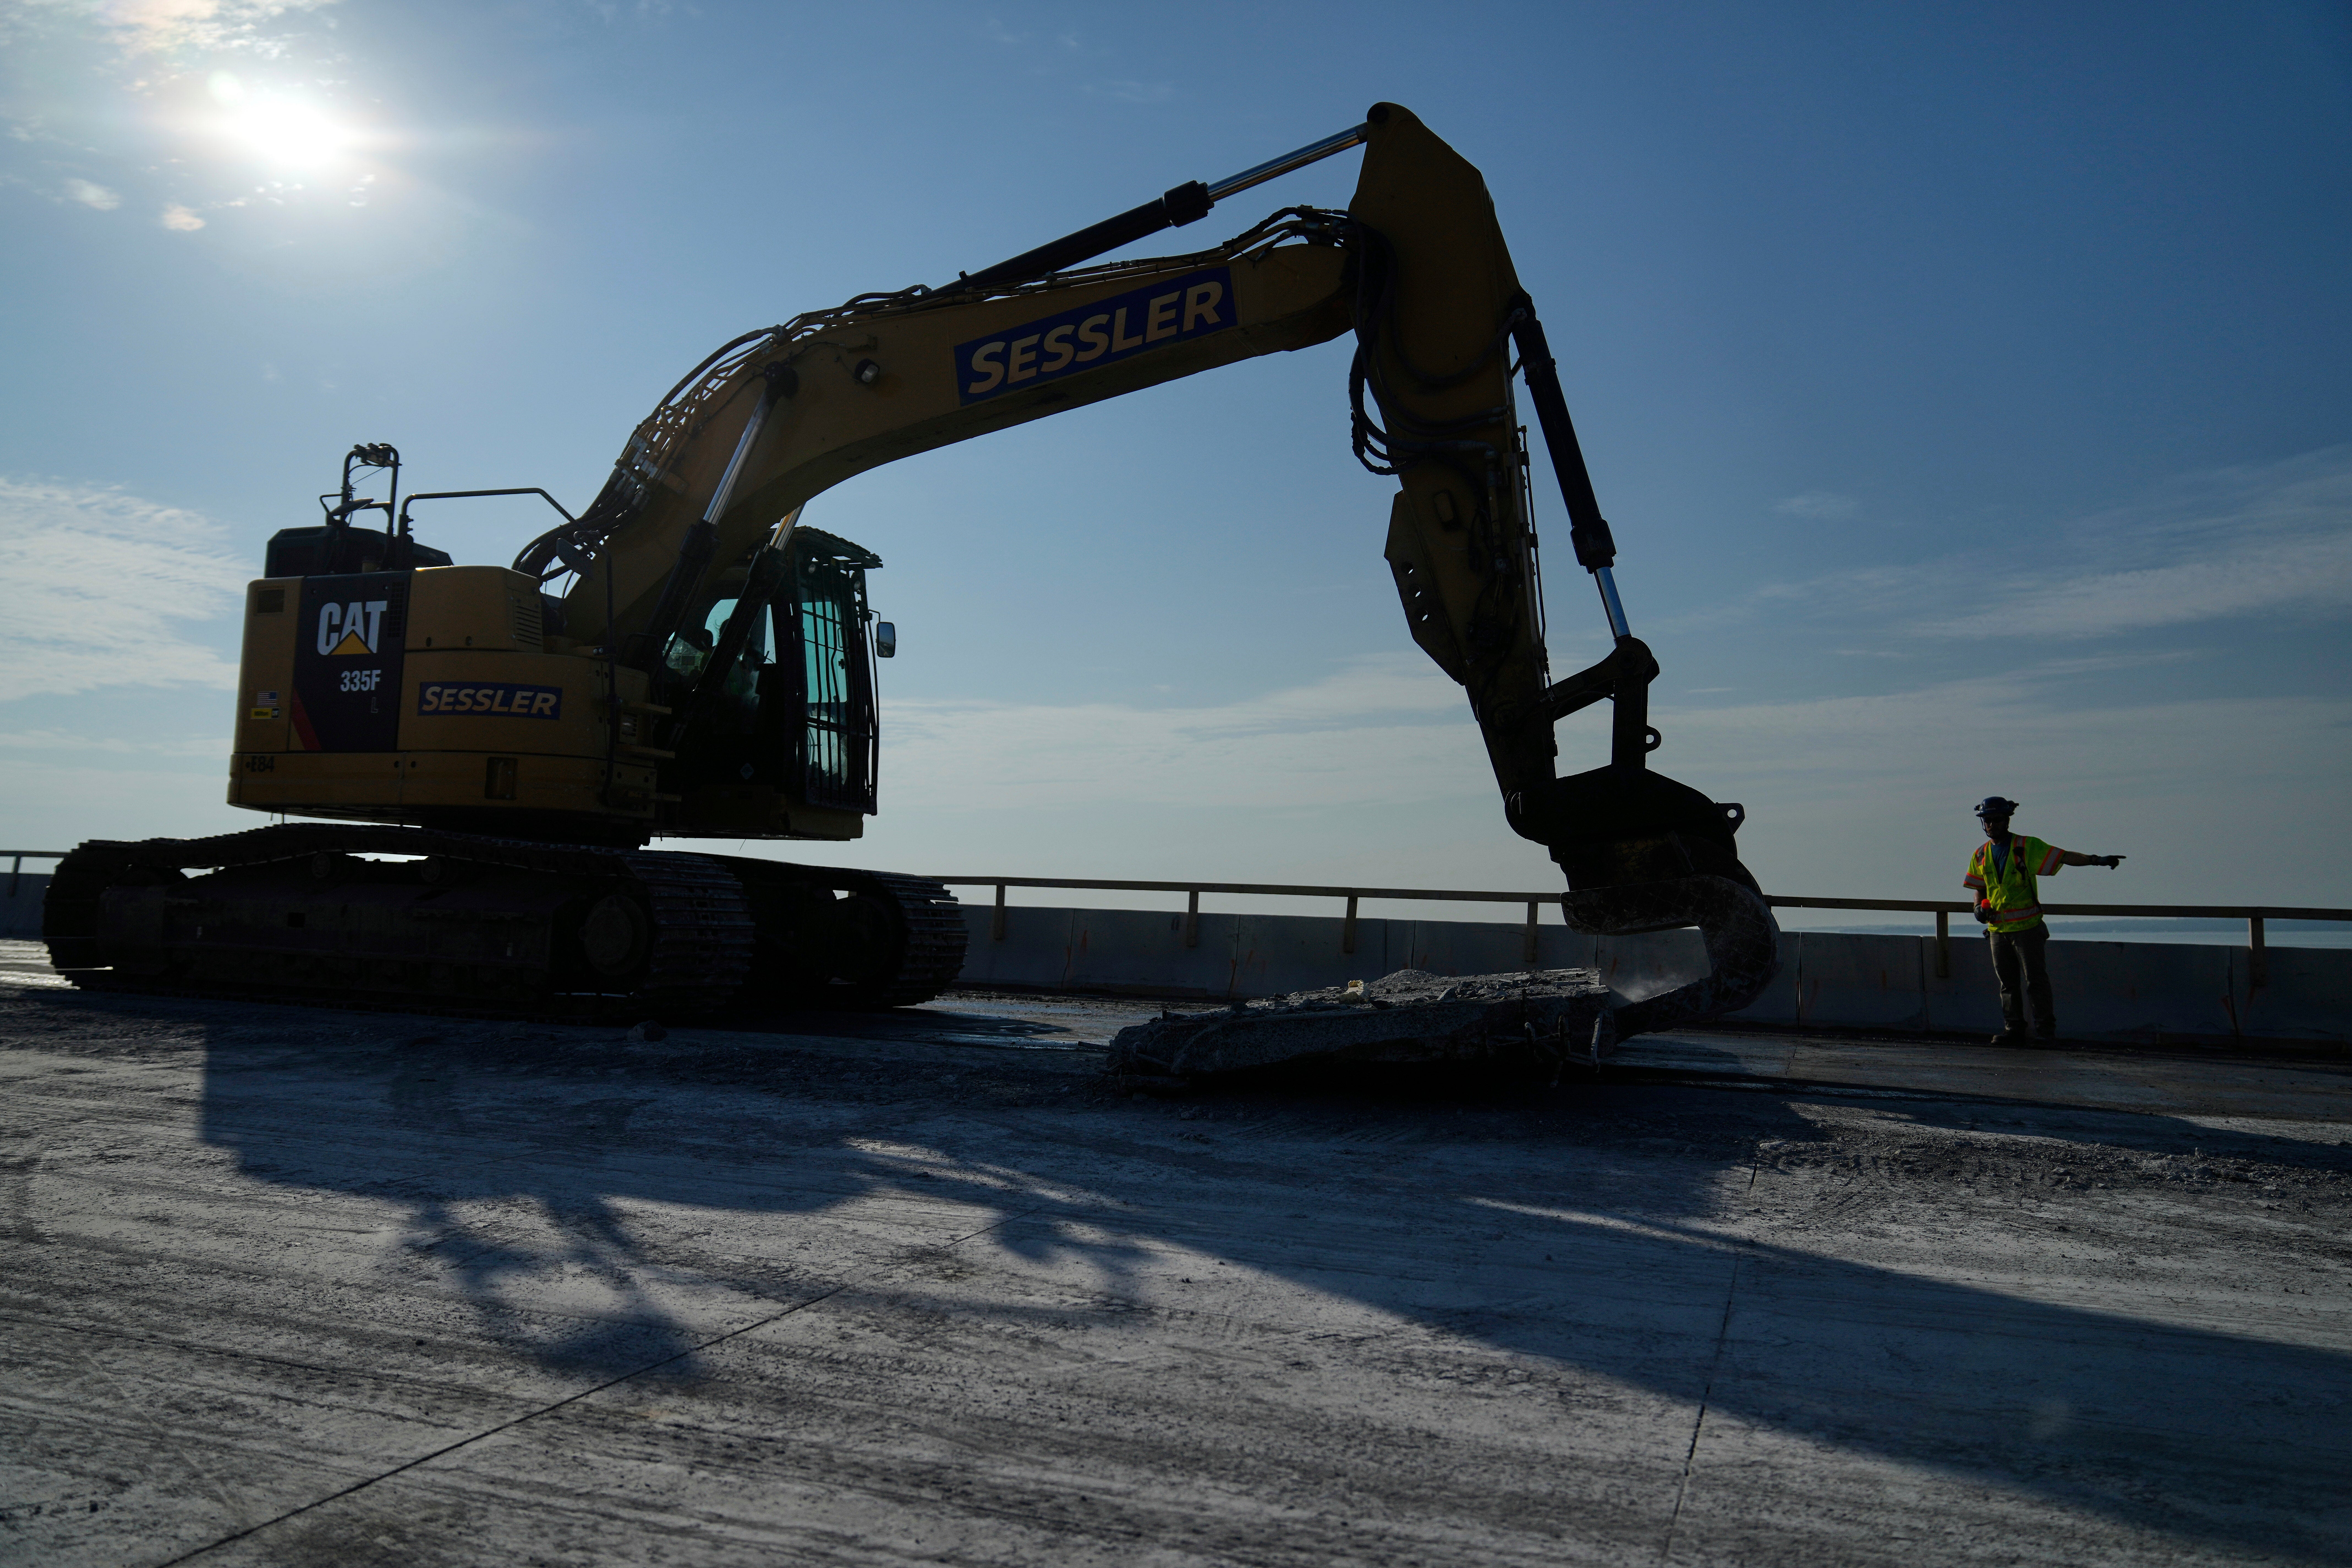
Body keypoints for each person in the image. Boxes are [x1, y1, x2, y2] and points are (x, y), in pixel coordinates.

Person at [1963, 796, 2125, 1047]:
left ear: (2007, 820)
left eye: (1997, 820)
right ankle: (2013, 1030)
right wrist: (1977, 907)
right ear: (1983, 823)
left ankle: (2045, 1033)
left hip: (2027, 929)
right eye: (1988, 821)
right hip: (1997, 930)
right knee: (2007, 985)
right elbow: (1978, 886)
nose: (1992, 825)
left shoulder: (2025, 846)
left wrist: (2095, 860)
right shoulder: (1981, 854)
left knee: (2035, 981)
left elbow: (2062, 856)